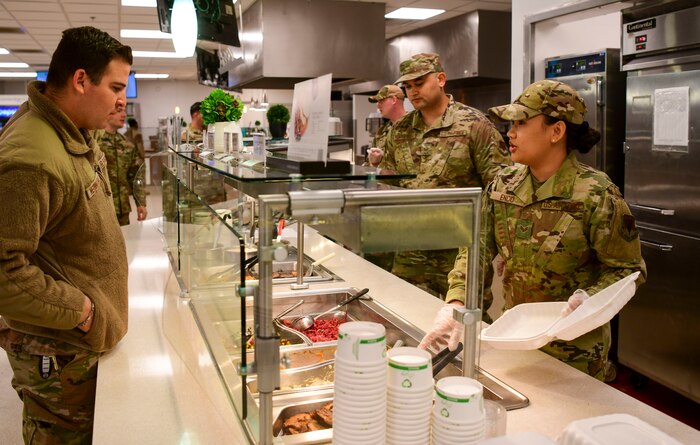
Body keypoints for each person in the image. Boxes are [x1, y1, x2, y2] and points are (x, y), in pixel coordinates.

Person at [420, 80, 647, 381]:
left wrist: (589, 299)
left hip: (575, 355)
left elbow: (629, 270)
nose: (510, 132)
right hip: (515, 342)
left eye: (522, 123)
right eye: (511, 123)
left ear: (556, 131)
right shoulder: (503, 186)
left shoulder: (596, 195)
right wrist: (457, 302)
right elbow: (476, 247)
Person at [0, 26, 132, 443]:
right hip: (57, 355)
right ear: (80, 80)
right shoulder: (32, 158)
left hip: (77, 349)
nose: (120, 99)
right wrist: (82, 310)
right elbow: (4, 271)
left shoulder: (72, 130)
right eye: (114, 86)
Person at [368, 53, 511, 299]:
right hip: (409, 252)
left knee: (461, 324)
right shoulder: (400, 130)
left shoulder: (474, 125)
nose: (413, 91)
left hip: (459, 254)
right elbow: (388, 184)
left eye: (419, 83)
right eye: (408, 86)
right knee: (408, 315)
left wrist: (507, 249)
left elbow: (500, 190)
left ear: (441, 79)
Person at [99, 107, 148, 226]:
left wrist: (140, 203)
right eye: (119, 111)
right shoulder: (94, 144)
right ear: (108, 113)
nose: (124, 115)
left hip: (123, 210)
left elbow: (135, 176)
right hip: (100, 211)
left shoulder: (127, 145)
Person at [367, 84, 407, 158]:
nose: (378, 106)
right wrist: (373, 162)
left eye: (381, 100)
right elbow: (369, 164)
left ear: (394, 100)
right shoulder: (381, 131)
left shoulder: (416, 126)